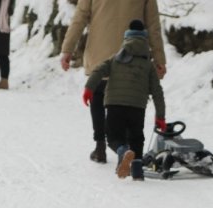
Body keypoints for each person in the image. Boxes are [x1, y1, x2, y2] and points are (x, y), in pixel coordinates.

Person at [60, 0, 166, 164]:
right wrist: (159, 59)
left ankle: (101, 146)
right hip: (132, 56)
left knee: (98, 95)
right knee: (127, 99)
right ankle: (128, 147)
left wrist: (67, 49)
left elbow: (80, 17)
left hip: (99, 53)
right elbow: (152, 24)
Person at [83, 20, 166, 181]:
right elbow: (157, 91)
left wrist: (89, 89)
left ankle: (122, 150)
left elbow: (99, 70)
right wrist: (160, 117)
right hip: (137, 106)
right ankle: (137, 172)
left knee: (113, 136)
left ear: (127, 38)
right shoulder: (148, 65)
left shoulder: (116, 58)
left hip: (115, 103)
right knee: (137, 138)